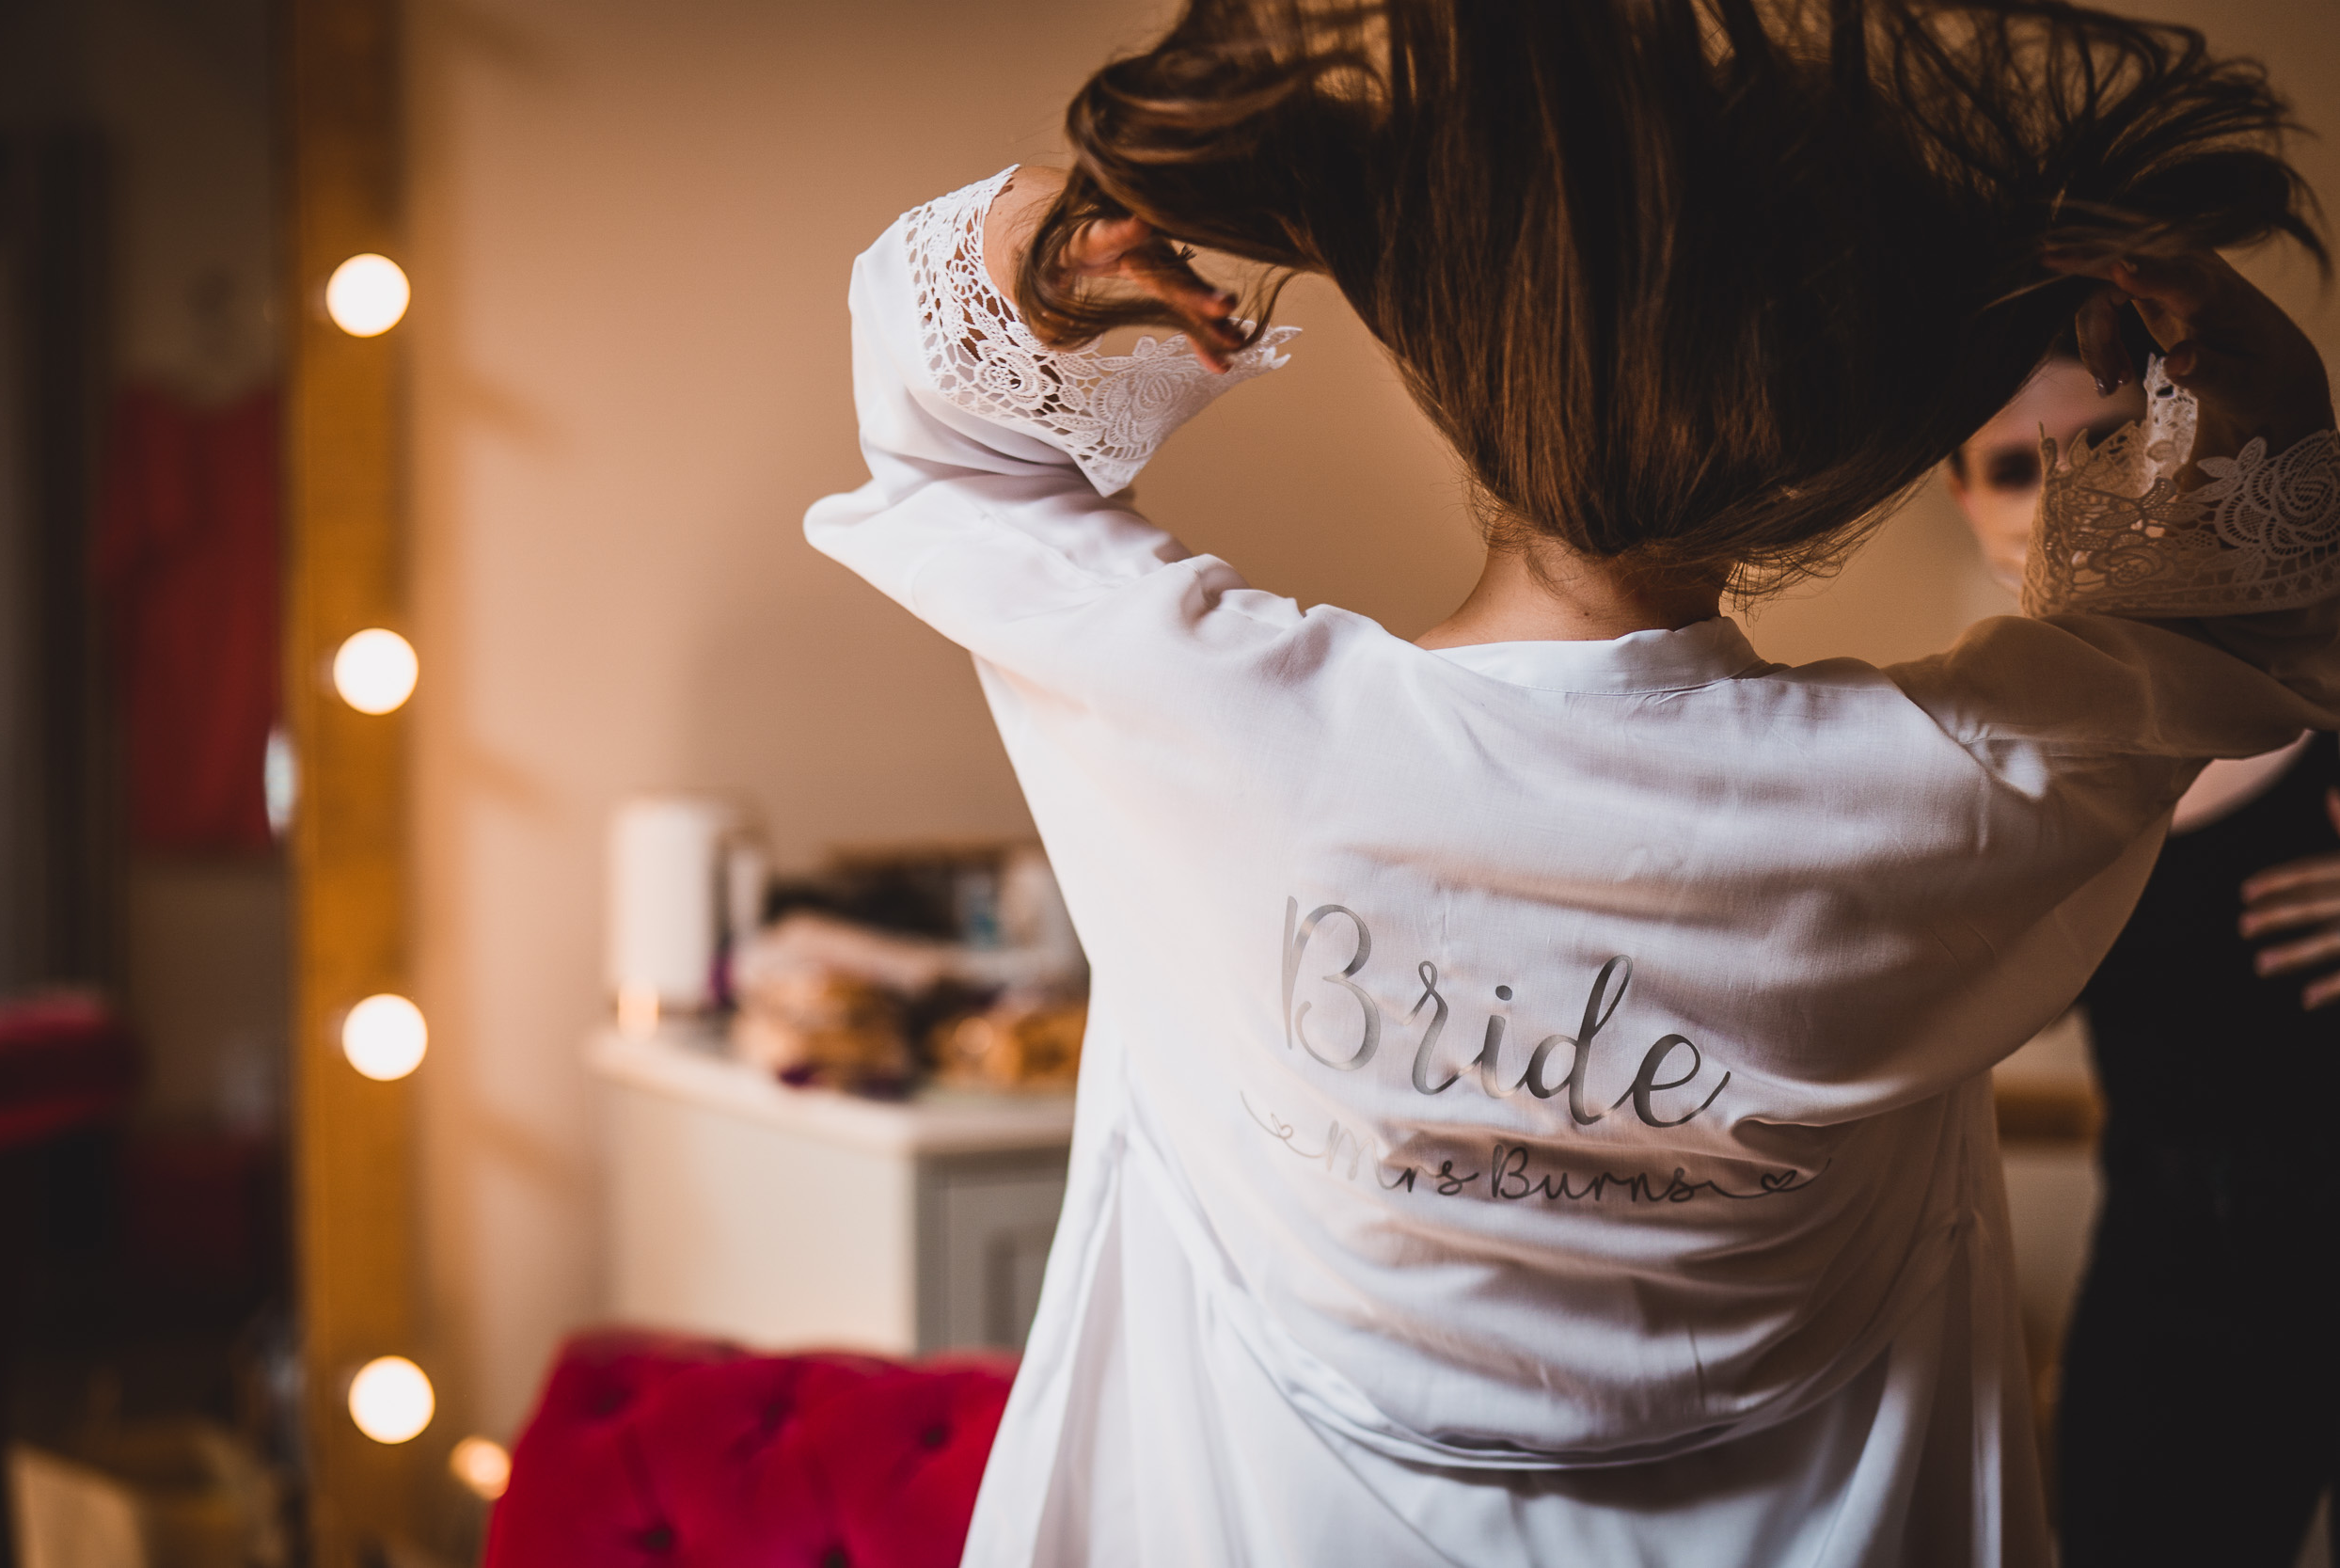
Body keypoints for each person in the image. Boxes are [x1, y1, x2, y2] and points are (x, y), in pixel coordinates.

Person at [805, 2, 2340, 1562]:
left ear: (1464, 385)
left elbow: (939, 451)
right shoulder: (1950, 799)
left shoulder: (1224, 737)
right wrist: (2217, 329)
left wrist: (1049, 247)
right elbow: (2244, 616)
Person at [1948, 357, 2340, 1566]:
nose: (2072, 492)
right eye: (2019, 464)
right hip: (2175, 1273)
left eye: (2114, 444)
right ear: (1964, 501)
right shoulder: (1970, 766)